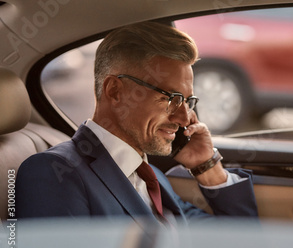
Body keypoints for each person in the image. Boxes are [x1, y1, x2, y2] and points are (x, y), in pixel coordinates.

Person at [16, 22, 258, 225]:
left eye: (187, 100)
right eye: (170, 98)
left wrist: (207, 166)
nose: (184, 118)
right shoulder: (55, 173)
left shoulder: (153, 177)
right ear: (115, 91)